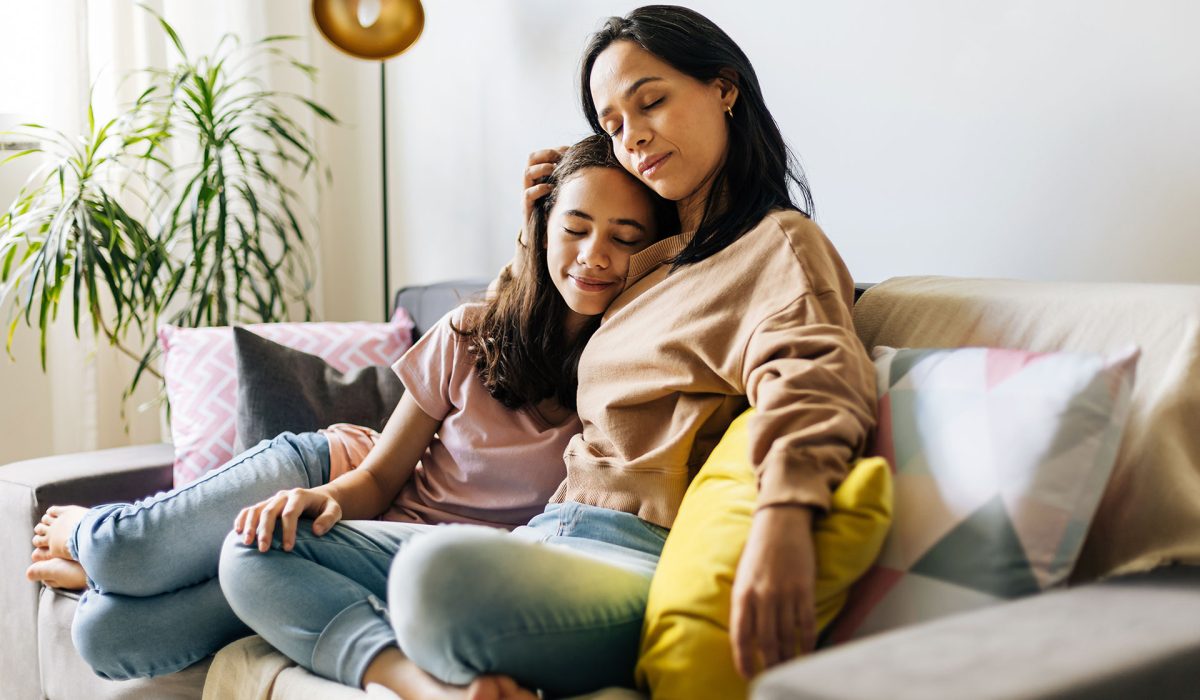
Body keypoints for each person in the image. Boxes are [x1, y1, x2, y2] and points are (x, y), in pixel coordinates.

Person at [223, 6, 877, 700]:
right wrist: (535, 226)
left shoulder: (776, 246)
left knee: (435, 580)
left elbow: (815, 379)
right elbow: (523, 326)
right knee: (254, 553)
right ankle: (425, 686)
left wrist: (783, 519)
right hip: (543, 537)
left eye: (650, 100)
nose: (634, 137)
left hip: (632, 556)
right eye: (613, 125)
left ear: (724, 88)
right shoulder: (649, 262)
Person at [27, 134, 670, 682]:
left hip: (396, 560)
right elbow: (380, 479)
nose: (593, 255)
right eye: (576, 227)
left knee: (107, 637)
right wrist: (331, 499)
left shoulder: (632, 378)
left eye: (625, 236)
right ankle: (94, 538)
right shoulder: (470, 333)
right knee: (120, 555)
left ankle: (128, 575)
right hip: (335, 475)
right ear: (543, 227)